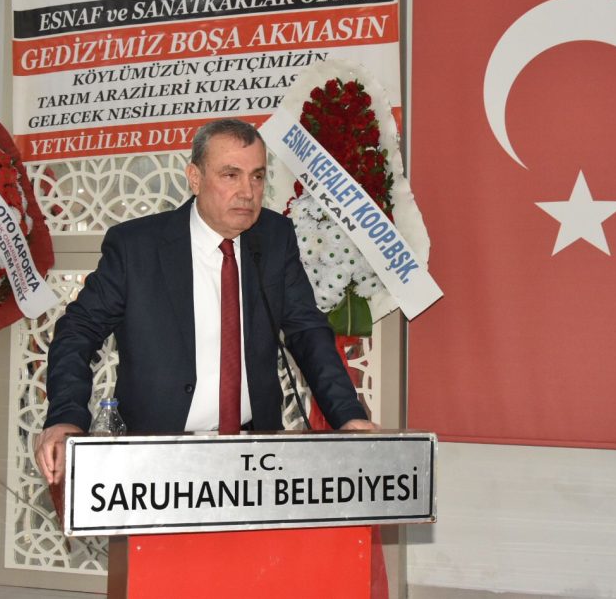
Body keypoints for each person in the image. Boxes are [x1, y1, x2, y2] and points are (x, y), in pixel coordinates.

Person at [35, 118, 374, 484]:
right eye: (231, 175)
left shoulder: (275, 238)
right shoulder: (137, 247)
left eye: (257, 176)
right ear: (194, 178)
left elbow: (307, 331)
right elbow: (77, 331)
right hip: (154, 456)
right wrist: (65, 417)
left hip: (255, 454)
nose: (247, 191)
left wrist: (348, 415)